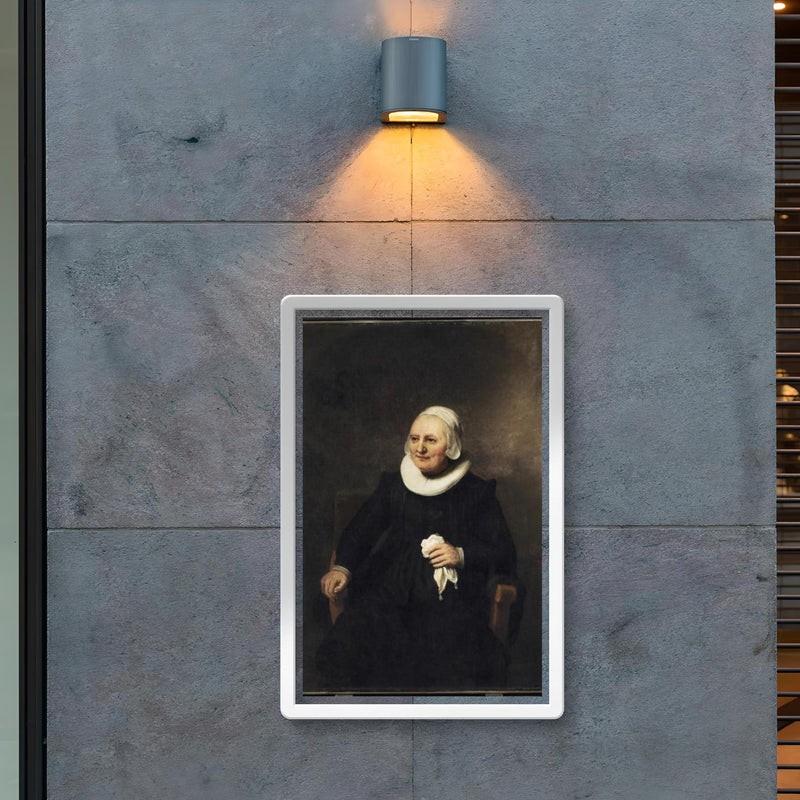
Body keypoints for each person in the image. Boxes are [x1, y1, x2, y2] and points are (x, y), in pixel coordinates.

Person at [316, 406, 518, 692]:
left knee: (452, 651)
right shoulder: (393, 485)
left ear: (452, 446)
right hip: (389, 586)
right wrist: (342, 567)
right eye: (414, 438)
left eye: (430, 440)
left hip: (450, 597)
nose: (420, 448)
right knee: (361, 635)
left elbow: (503, 551)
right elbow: (363, 529)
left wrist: (460, 554)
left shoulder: (477, 492)